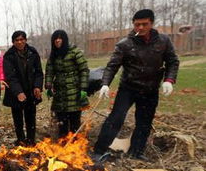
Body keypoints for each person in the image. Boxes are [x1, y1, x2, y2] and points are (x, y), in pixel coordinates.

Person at [93, 9, 179, 161]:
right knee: (116, 118)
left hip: (150, 89)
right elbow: (112, 66)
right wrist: (105, 84)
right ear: (133, 24)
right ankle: (99, 151)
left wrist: (169, 80)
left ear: (151, 23)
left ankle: (136, 152)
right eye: (137, 24)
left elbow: (173, 61)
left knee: (144, 122)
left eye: (144, 24)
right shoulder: (125, 44)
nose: (140, 28)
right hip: (128, 88)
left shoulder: (163, 41)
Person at [44, 30, 89, 138]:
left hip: (74, 90)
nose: (58, 40)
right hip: (59, 92)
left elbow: (84, 70)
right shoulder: (53, 55)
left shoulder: (74, 52)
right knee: (61, 119)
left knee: (74, 118)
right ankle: (63, 141)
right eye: (55, 39)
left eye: (60, 38)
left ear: (64, 39)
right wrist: (48, 86)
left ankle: (75, 141)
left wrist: (83, 88)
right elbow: (49, 71)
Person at [3, 31, 43, 146]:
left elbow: (39, 72)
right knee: (18, 118)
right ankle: (21, 140)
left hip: (30, 90)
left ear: (25, 40)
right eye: (17, 40)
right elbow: (10, 76)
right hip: (15, 92)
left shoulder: (33, 52)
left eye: (22, 39)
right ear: (13, 42)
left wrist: (37, 86)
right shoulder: (9, 55)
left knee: (31, 116)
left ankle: (31, 140)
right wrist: (18, 92)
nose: (20, 42)